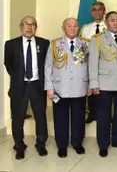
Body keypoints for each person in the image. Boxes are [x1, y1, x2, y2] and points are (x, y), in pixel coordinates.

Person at [4, 16, 50, 159]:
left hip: (37, 85)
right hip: (20, 86)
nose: (29, 27)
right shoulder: (11, 44)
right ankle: (19, 145)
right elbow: (8, 64)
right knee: (18, 117)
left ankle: (41, 143)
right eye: (26, 24)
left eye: (33, 24)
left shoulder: (44, 43)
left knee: (40, 116)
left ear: (36, 27)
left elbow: (46, 65)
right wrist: (19, 78)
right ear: (21, 26)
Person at [45, 18, 90, 158]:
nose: (72, 28)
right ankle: (62, 145)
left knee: (78, 117)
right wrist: (49, 87)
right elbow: (48, 67)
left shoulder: (86, 43)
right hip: (60, 88)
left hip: (80, 87)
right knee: (60, 118)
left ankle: (77, 143)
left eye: (75, 25)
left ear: (79, 28)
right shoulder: (55, 44)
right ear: (63, 28)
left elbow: (91, 66)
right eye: (69, 26)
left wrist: (90, 84)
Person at [89, 11, 117, 157]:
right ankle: (103, 144)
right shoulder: (97, 39)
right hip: (104, 83)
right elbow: (92, 63)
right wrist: (93, 84)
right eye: (112, 20)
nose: (116, 23)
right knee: (103, 116)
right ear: (106, 22)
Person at [79, 1, 107, 124]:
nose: (97, 12)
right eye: (94, 10)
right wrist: (79, 62)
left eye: (100, 9)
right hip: (90, 63)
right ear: (91, 12)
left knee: (104, 91)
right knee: (91, 89)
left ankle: (104, 114)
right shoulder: (86, 28)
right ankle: (92, 113)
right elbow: (82, 47)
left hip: (106, 63)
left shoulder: (109, 26)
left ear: (104, 11)